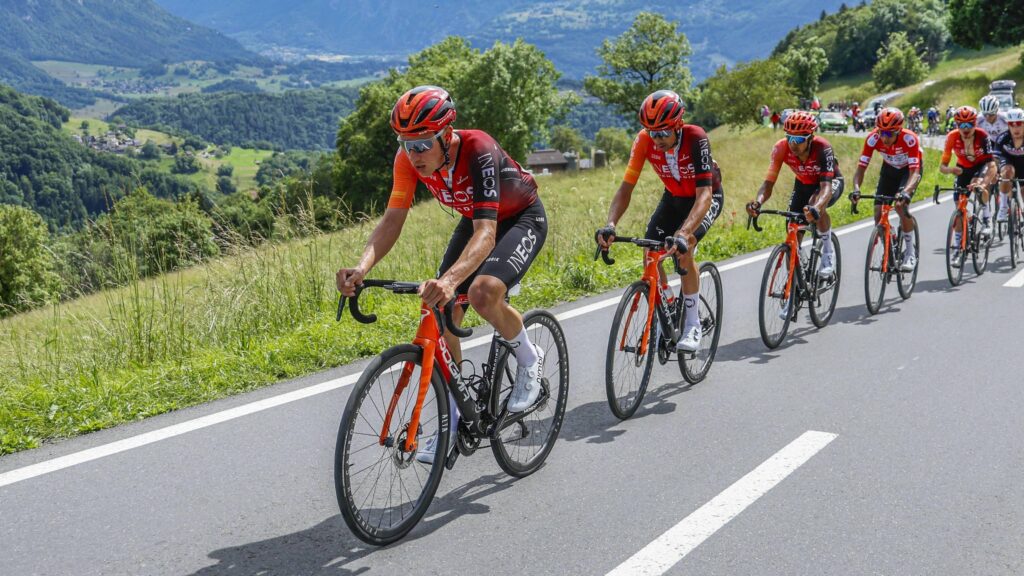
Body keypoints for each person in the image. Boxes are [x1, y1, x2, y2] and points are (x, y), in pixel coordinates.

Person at [335, 85, 549, 463]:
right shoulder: (407, 161)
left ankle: (530, 361)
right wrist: (361, 267)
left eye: (422, 145)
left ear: (447, 136)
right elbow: (393, 220)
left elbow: (487, 233)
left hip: (520, 218)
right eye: (405, 143)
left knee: (482, 293)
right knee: (439, 311)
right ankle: (452, 416)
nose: (413, 154)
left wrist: (451, 281)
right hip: (476, 218)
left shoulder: (478, 149)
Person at [596, 90, 724, 352]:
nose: (657, 139)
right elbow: (626, 188)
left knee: (684, 248)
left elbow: (705, 194)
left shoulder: (695, 137)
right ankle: (667, 300)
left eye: (664, 132)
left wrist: (684, 232)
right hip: (674, 197)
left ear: (678, 125)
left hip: (705, 197)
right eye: (652, 132)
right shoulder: (645, 140)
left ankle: (692, 325)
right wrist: (610, 224)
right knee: (650, 251)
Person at [746, 111, 844, 295]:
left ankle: (828, 254)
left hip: (829, 183)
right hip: (803, 184)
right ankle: (796, 281)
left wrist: (816, 208)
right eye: (790, 138)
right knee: (792, 228)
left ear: (810, 138)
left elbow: (826, 188)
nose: (793, 144)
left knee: (816, 203)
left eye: (799, 140)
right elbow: (768, 183)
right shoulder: (781, 148)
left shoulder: (823, 147)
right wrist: (757, 203)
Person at [850, 108, 923, 271]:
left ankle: (910, 253)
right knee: (878, 212)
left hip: (909, 172)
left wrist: (905, 192)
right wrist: (856, 189)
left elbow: (915, 172)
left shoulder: (909, 139)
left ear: (898, 131)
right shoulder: (872, 138)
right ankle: (889, 248)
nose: (884, 138)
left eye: (889, 134)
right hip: (889, 170)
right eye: (881, 132)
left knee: (899, 206)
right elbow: (861, 168)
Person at [939, 105, 997, 253]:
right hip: (962, 169)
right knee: (959, 209)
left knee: (976, 184)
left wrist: (984, 183)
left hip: (981, 165)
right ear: (956, 124)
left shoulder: (982, 136)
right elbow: (942, 167)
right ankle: (958, 246)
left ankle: (986, 218)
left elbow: (992, 165)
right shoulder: (952, 137)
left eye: (969, 124)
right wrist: (951, 169)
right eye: (961, 124)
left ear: (975, 124)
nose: (965, 128)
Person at [992, 108, 1024, 223]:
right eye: (1012, 124)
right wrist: (995, 173)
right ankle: (1003, 207)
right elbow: (995, 158)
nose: (1016, 128)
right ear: (1008, 125)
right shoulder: (1002, 138)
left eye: (1019, 124)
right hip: (1008, 160)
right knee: (1007, 172)